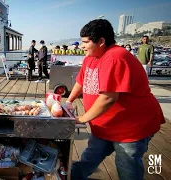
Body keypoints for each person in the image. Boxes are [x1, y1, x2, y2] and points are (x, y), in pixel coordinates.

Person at [66, 19, 165, 180]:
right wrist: (68, 101)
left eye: (86, 42)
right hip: (104, 125)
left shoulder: (115, 57)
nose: (82, 46)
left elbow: (108, 98)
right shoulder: (90, 57)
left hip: (130, 128)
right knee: (87, 160)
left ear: (101, 41)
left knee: (127, 168)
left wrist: (81, 119)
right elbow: (80, 81)